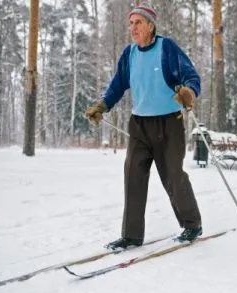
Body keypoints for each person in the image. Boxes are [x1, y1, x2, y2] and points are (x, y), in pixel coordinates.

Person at [85, 1, 203, 250]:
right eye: (130, 23)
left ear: (151, 25)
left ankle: (192, 225)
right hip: (139, 125)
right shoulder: (129, 54)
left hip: (169, 124)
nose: (133, 27)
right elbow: (118, 85)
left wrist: (188, 92)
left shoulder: (166, 47)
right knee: (133, 175)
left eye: (138, 22)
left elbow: (191, 76)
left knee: (173, 175)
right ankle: (131, 235)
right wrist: (102, 106)